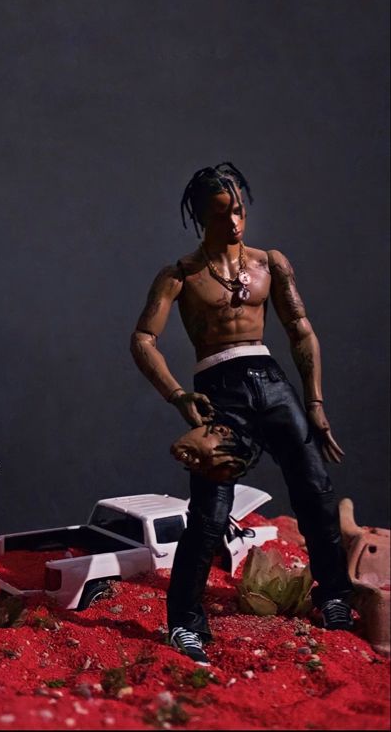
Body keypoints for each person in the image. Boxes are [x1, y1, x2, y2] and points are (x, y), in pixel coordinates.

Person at [129, 161, 354, 666]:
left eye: (240, 210)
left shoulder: (269, 264)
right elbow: (143, 339)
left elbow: (301, 330)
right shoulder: (180, 276)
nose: (234, 222)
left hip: (272, 384)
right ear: (202, 218)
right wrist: (177, 396)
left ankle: (334, 596)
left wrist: (314, 403)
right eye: (222, 213)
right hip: (218, 391)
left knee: (316, 490)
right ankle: (185, 623)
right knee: (209, 515)